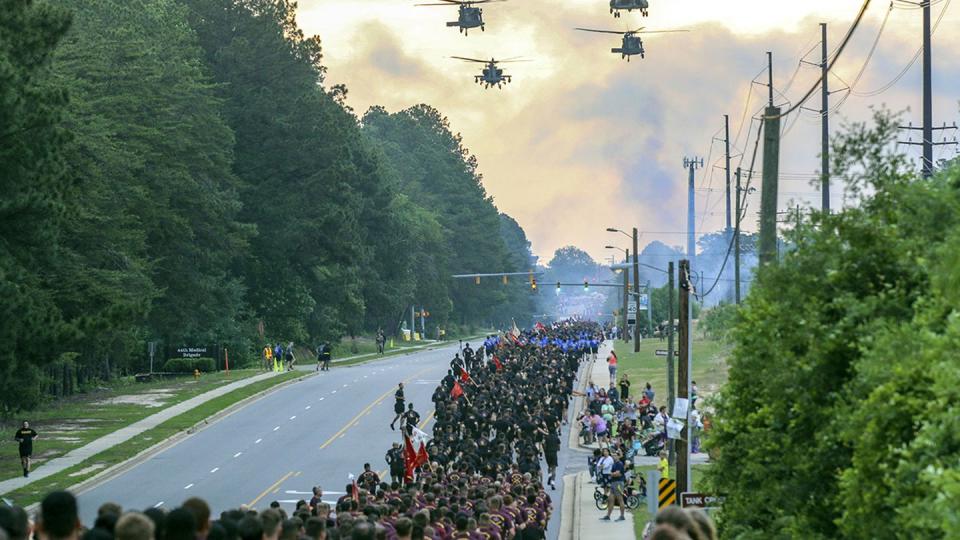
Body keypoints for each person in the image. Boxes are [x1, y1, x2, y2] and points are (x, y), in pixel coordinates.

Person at [601, 452, 626, 522]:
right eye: (612, 456)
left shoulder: (619, 464)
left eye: (615, 455)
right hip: (613, 483)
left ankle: (622, 516)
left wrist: (611, 474)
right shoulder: (614, 464)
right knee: (610, 499)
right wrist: (612, 474)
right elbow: (613, 473)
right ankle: (608, 516)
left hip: (618, 483)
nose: (613, 457)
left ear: (618, 456)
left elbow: (617, 474)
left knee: (620, 499)